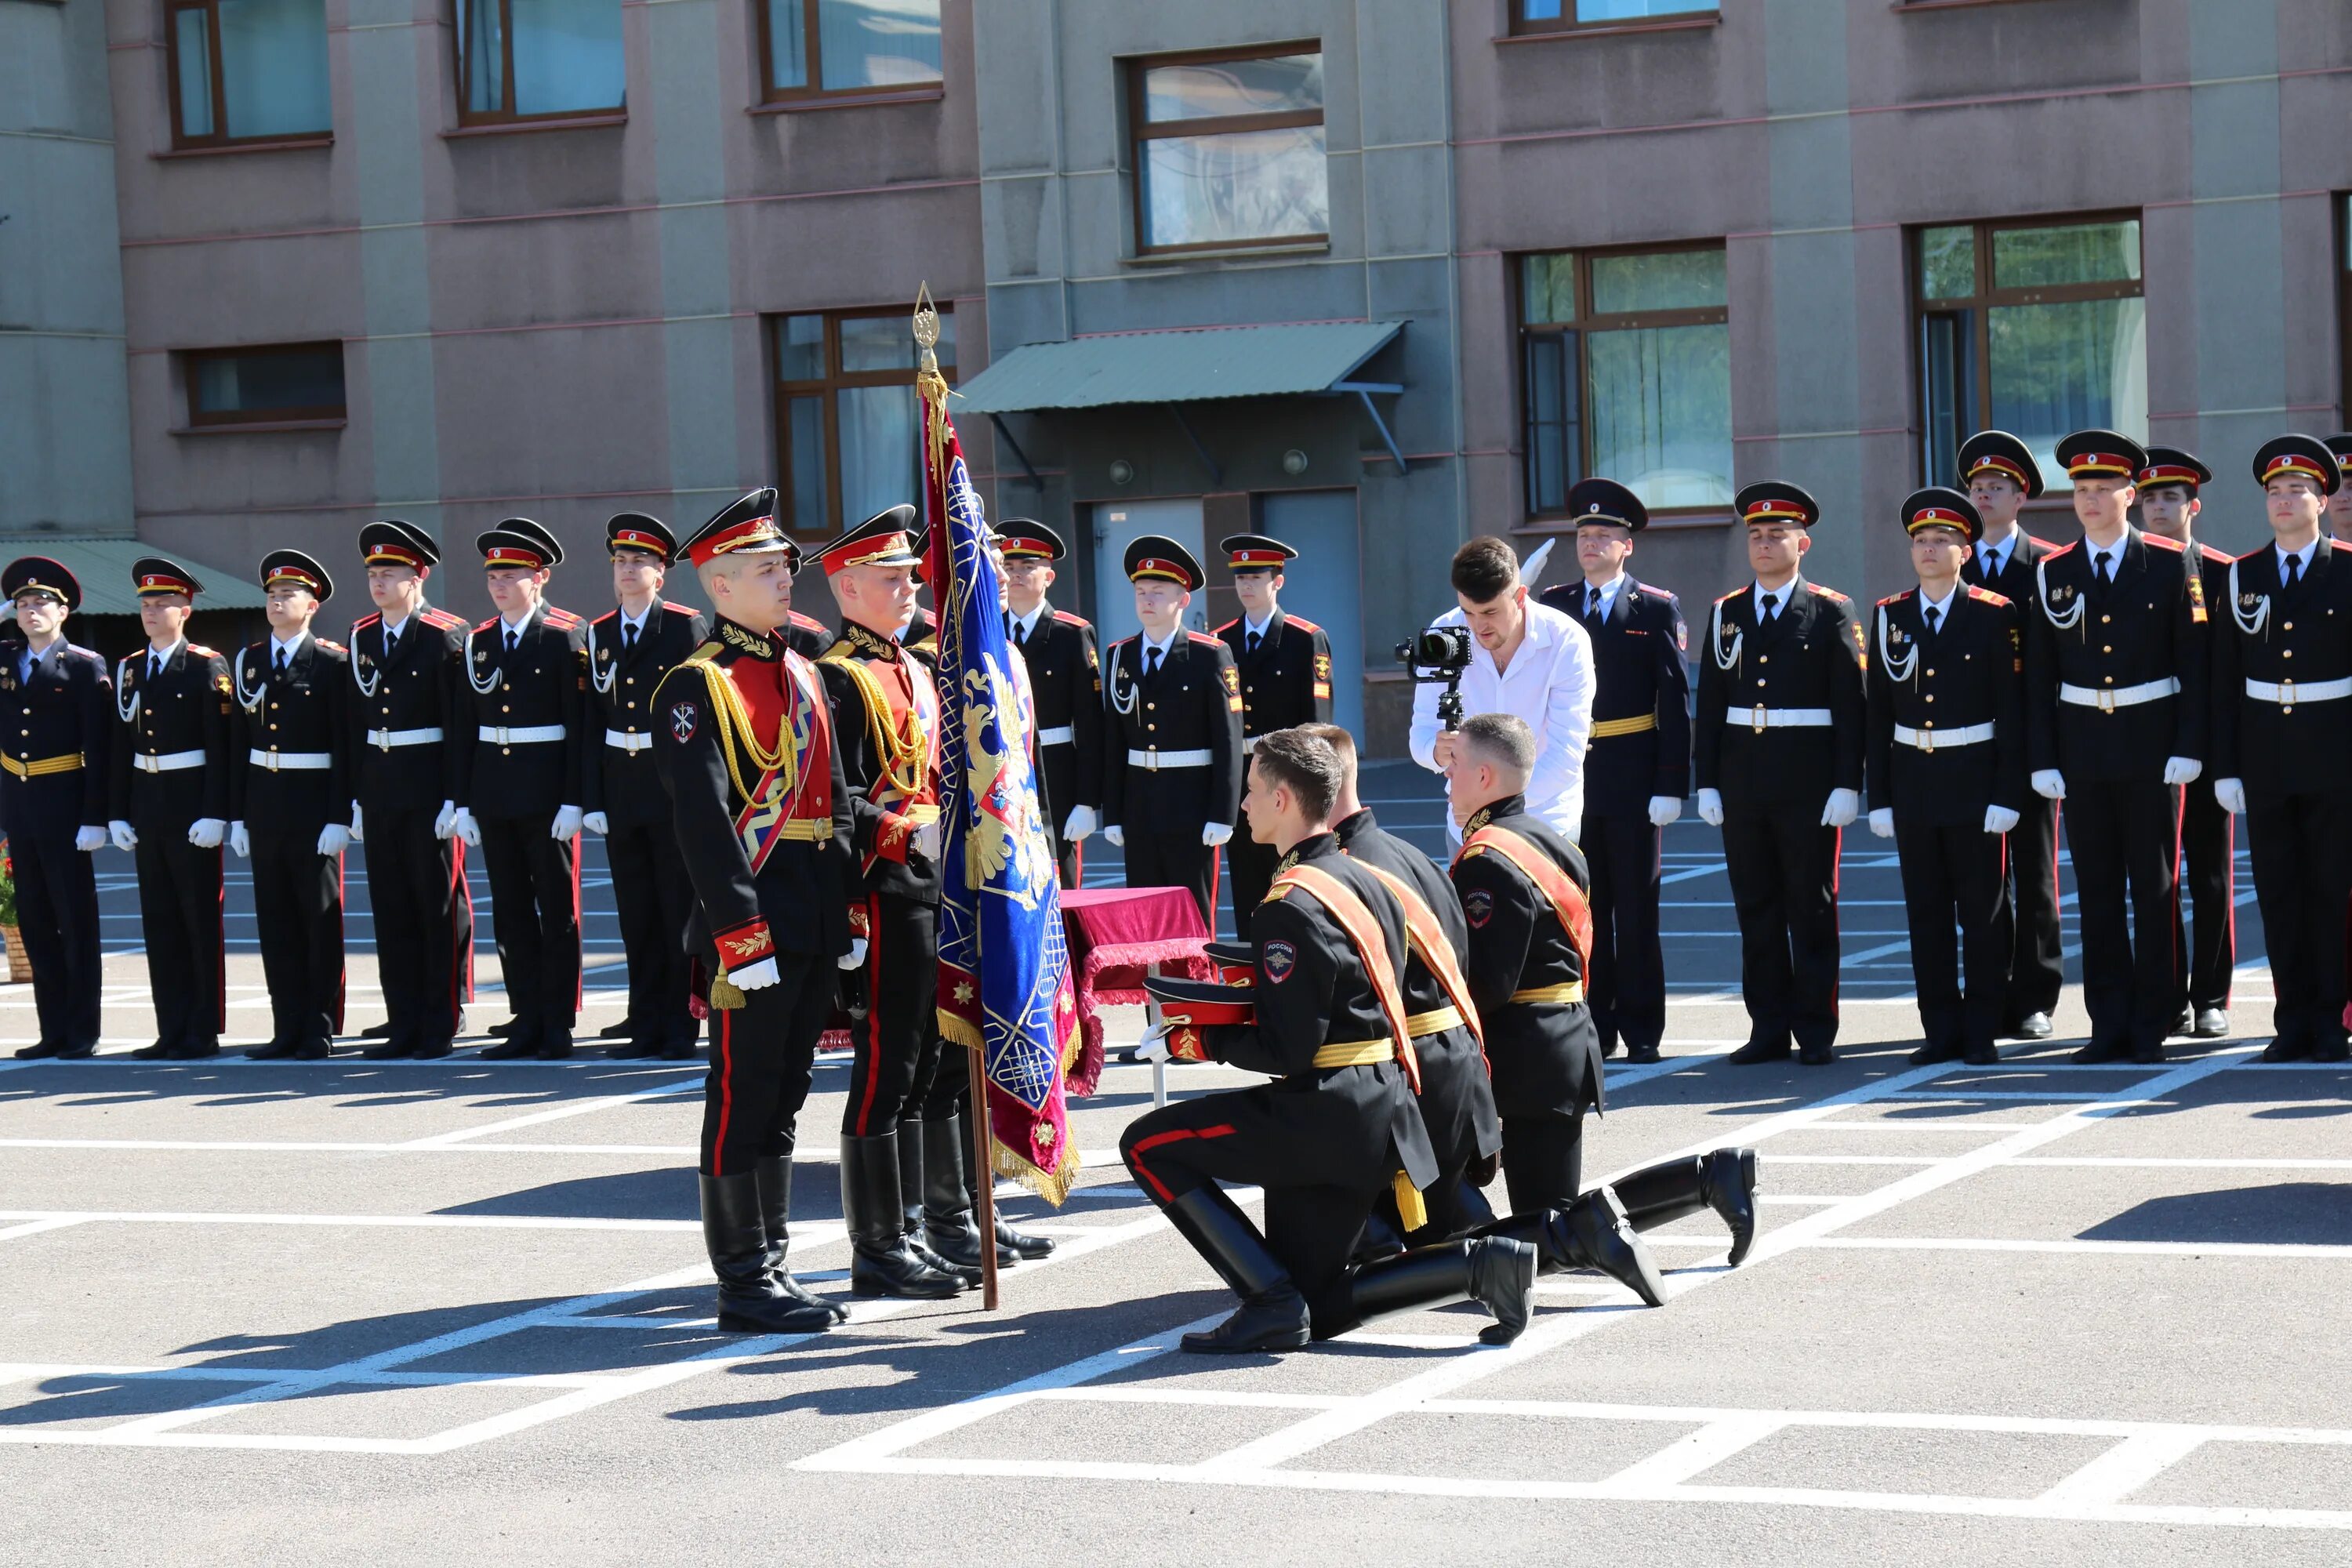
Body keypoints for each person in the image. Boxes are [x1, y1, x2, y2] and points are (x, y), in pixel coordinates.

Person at [1123, 728, 1537, 1353]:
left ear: (1285, 799)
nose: (1243, 804)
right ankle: (1477, 1266)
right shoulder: (1359, 877)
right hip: (1386, 1104)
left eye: (1254, 789)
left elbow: (1289, 1050)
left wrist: (1197, 1040)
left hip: (1326, 1112)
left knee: (1147, 1144)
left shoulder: (1289, 904)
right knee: (1322, 1302)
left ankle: (1267, 1300)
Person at [655, 491, 856, 1335]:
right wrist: (741, 934)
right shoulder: (696, 685)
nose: (787, 580)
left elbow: (836, 801)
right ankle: (743, 1278)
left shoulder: (803, 669)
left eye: (785, 567)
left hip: (811, 917)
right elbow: (703, 826)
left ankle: (771, 1260)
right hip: (757, 929)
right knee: (742, 1094)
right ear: (722, 583)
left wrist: (847, 915)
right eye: (770, 569)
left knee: (787, 1091)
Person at [815, 505, 966, 1300]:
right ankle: (878, 1244)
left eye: (910, 575)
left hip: (934, 881)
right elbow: (835, 793)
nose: (909, 588)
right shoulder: (837, 675)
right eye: (890, 577)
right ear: (845, 586)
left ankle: (919, 1225)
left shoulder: (910, 663)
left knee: (932, 1055)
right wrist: (907, 834)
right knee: (889, 1063)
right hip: (884, 887)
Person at [2026, 430, 2209, 1065]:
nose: (2091, 500)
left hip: (2152, 742)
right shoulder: (2054, 570)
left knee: (2154, 887)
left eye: (2104, 489)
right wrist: (2044, 757)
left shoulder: (2166, 561)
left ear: (2131, 495)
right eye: (2081, 490)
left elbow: (2195, 661)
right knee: (2097, 890)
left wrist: (2190, 743)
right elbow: (2041, 676)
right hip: (2083, 746)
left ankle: (2153, 1020)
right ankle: (2107, 1023)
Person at [1308, 720, 1501, 1244]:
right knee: (1462, 1230)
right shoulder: (1412, 855)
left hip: (1409, 1084)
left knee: (1425, 1247)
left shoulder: (1341, 873)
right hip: (1457, 1064)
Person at [1694, 482, 1865, 1066]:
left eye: (1777, 534)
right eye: (1756, 535)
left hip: (1809, 783)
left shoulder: (1829, 609)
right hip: (1744, 783)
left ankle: (1815, 1028)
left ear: (1803, 542)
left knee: (1810, 906)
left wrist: (1848, 782)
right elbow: (1712, 702)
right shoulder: (1727, 612)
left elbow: (1850, 703)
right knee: (1756, 907)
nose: (1764, 544)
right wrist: (1708, 781)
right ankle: (1767, 1027)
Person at [1864, 489, 2027, 1067]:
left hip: (1975, 779)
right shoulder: (1890, 614)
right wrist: (1877, 795)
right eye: (1920, 541)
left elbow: (2012, 710)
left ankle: (1981, 1028)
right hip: (1913, 781)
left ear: (1966, 551)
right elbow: (1878, 711)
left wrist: (2009, 792)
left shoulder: (1992, 612)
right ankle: (1940, 1029)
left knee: (1983, 915)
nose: (1928, 550)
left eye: (1941, 541)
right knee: (1926, 915)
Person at [1537, 478, 1691, 1064]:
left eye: (1604, 535)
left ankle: (1643, 1028)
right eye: (1584, 534)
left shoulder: (1654, 607)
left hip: (1632, 772)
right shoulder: (1554, 605)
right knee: (1584, 908)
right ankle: (1594, 1026)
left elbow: (1674, 702)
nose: (1591, 543)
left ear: (1628, 546)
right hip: (1573, 776)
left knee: (1637, 907)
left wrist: (1670, 782)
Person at [2211, 437, 2352, 1064]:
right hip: (2266, 752)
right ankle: (2290, 1018)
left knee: (2331, 888)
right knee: (2279, 890)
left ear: (2323, 500)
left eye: (2297, 490)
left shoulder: (2347, 566)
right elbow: (2223, 678)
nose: (2285, 501)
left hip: (2334, 749)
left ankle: (2329, 1020)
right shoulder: (2243, 575)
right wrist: (2226, 764)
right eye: (2274, 492)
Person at [450, 520, 589, 1061]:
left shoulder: (563, 635)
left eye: (512, 575)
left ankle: (556, 1022)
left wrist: (577, 798)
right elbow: (465, 727)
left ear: (540, 578)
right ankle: (524, 1014)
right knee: (509, 910)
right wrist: (462, 802)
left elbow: (579, 725)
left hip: (548, 791)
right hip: (495, 790)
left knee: (556, 910)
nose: (500, 585)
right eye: (494, 576)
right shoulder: (479, 641)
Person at [348, 521, 477, 1061]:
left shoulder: (444, 634)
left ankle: (439, 1019)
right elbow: (357, 718)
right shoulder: (363, 635)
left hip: (428, 788)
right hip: (381, 787)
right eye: (374, 573)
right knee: (391, 908)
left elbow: (458, 722)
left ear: (418, 576)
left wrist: (455, 796)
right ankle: (401, 1018)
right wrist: (355, 795)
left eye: (391, 573)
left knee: (436, 906)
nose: (379, 582)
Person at [583, 514, 710, 1060]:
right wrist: (591, 798)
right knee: (635, 912)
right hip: (621, 785)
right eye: (620, 561)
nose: (627, 570)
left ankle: (680, 1025)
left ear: (661, 572)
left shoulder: (684, 627)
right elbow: (591, 720)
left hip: (668, 785)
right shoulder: (600, 633)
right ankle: (644, 1019)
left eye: (639, 561)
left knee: (675, 908)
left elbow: (704, 715)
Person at [1957, 431, 2061, 1041]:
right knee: (1978, 881)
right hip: (1969, 744)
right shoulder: (1950, 560)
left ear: (2021, 497)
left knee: (2035, 873)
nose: (1986, 495)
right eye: (1977, 488)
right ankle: (1988, 993)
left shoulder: (2048, 564)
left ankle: (2034, 998)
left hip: (2033, 739)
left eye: (1997, 487)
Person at [230, 550, 353, 1061]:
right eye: (272, 595)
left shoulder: (330, 662)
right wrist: (237, 813)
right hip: (265, 804)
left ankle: (318, 1025)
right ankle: (286, 1025)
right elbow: (238, 743)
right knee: (275, 919)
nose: (277, 602)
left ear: (312, 605)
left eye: (288, 595)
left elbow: (346, 743)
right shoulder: (249, 661)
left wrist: (340, 815)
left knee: (316, 919)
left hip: (312, 804)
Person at [109, 559, 231, 1061]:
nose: (151, 612)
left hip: (190, 803)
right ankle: (170, 1027)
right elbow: (120, 744)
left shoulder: (206, 665)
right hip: (148, 803)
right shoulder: (131, 667)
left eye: (162, 604)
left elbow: (222, 746)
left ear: (186, 610)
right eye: (145, 604)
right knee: (159, 920)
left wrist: (215, 811)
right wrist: (117, 811)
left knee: (198, 918)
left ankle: (201, 1029)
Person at [2135, 447, 2234, 1040]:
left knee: (2212, 875)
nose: (2158, 507)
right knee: (2157, 875)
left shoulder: (2223, 571)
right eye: (2148, 497)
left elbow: (2223, 673)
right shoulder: (2135, 568)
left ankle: (2211, 996)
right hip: (2152, 748)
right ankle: (2169, 993)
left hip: (2210, 747)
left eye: (2169, 497)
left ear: (2192, 506)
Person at [1098, 535, 1243, 931]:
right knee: (1145, 914)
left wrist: (1223, 813)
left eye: (1159, 593)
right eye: (1141, 592)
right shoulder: (1120, 655)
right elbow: (1114, 740)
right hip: (1139, 806)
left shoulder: (1210, 654)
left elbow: (1228, 740)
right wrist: (1113, 812)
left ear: (1183, 600)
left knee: (1192, 912)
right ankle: (1154, 994)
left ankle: (1197, 992)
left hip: (1192, 806)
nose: (1147, 600)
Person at [1409, 535, 1593, 845]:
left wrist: (1494, 807)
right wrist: (1435, 752)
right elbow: (1421, 734)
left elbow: (1566, 753)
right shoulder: (1443, 633)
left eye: (1490, 612)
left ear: (1520, 597)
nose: (1478, 626)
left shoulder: (1567, 640)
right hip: (1467, 827)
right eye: (1468, 612)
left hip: (1545, 824)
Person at [2, 558, 109, 1061]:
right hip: (19, 808)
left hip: (65, 803)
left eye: (41, 602)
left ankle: (82, 1030)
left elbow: (100, 747)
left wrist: (96, 816)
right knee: (37, 920)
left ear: (63, 611)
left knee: (75, 920)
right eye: (22, 604)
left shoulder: (84, 665)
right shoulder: (4, 660)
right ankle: (52, 1029)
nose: (31, 610)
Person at [1216, 535, 1334, 937]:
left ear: (1277, 582)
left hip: (1286, 776)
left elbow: (1317, 725)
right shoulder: (1222, 641)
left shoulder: (1305, 639)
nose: (1246, 586)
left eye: (1256, 577)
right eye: (1240, 577)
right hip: (1243, 779)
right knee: (1247, 885)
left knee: (1290, 881)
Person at [999, 521, 1102, 890]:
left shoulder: (1071, 634)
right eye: (1009, 567)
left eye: (1027, 566)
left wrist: (1087, 800)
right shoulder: (992, 629)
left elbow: (1090, 723)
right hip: (1003, 770)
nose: (1017, 575)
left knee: (1060, 883)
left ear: (1049, 576)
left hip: (1057, 775)